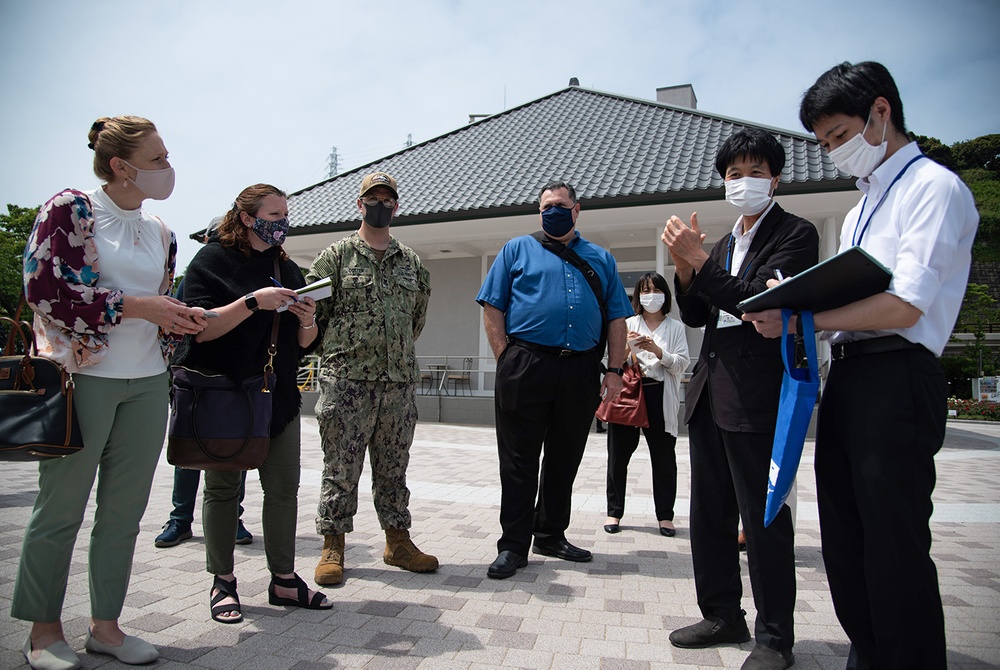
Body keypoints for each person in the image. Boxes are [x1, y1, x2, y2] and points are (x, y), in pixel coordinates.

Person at [745, 61, 979, 670]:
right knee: (846, 538)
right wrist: (794, 300)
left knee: (893, 541)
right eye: (824, 144)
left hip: (897, 375)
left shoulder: (934, 187)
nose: (833, 152)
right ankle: (869, 652)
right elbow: (849, 294)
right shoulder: (859, 208)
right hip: (848, 374)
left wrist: (808, 317)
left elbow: (904, 305)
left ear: (881, 112)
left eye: (840, 135)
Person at [14, 116, 207, 669]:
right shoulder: (71, 209)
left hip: (147, 382)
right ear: (121, 166)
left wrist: (175, 317)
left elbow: (159, 300)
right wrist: (136, 306)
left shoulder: (160, 230)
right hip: (82, 381)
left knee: (123, 513)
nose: (168, 168)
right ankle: (44, 633)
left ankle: (107, 628)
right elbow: (46, 290)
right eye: (157, 159)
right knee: (61, 509)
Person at [662, 127, 819, 670]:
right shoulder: (726, 243)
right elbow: (701, 315)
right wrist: (686, 270)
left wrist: (700, 264)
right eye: (733, 174)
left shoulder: (795, 236)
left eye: (755, 172)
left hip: (758, 393)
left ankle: (776, 637)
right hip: (710, 388)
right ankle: (722, 613)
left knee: (763, 516)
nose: (743, 182)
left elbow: (761, 305)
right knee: (709, 512)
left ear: (775, 177)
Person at [174, 183, 329, 623]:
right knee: (223, 490)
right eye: (275, 215)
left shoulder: (288, 268)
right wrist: (252, 302)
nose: (283, 223)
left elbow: (305, 344)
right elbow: (198, 329)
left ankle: (283, 579)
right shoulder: (211, 260)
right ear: (246, 217)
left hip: (276, 394)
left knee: (283, 489)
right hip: (223, 392)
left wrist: (308, 319)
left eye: (285, 214)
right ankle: (222, 581)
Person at [477, 180, 633, 580]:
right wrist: (505, 358)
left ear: (576, 210)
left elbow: (617, 317)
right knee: (518, 459)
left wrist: (615, 371)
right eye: (546, 206)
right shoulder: (516, 249)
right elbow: (492, 307)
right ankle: (513, 545)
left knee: (565, 456)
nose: (553, 212)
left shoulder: (601, 258)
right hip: (526, 364)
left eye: (561, 205)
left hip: (580, 369)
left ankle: (550, 533)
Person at [308, 172, 437, 586]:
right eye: (372, 198)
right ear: (359, 204)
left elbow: (415, 321)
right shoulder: (335, 257)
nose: (380, 204)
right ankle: (333, 544)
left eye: (387, 199)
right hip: (346, 381)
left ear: (396, 206)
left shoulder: (412, 262)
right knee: (340, 467)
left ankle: (397, 542)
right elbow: (314, 319)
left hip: (397, 383)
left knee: (394, 467)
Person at [154, 216, 253, 550]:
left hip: (236, 378)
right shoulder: (200, 267)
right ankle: (180, 519)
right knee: (188, 448)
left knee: (235, 450)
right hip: (194, 376)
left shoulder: (245, 268)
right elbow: (179, 317)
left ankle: (232, 518)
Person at [603, 272, 689, 537]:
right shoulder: (628, 323)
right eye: (645, 290)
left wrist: (656, 350)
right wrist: (628, 350)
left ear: (665, 295)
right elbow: (613, 363)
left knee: (663, 457)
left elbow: (682, 364)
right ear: (638, 296)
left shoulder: (675, 327)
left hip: (660, 394)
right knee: (618, 455)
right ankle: (614, 511)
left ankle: (665, 516)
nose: (651, 295)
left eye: (656, 290)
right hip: (629, 394)